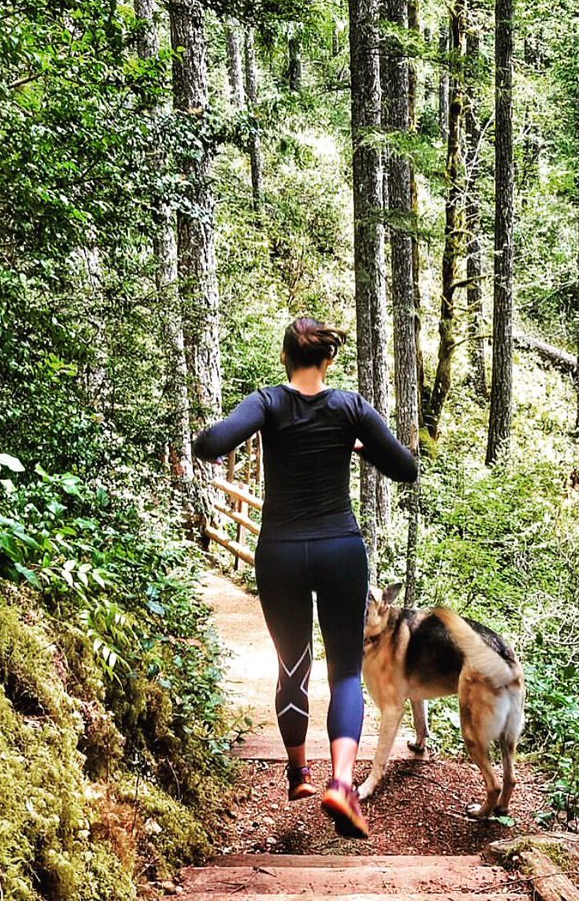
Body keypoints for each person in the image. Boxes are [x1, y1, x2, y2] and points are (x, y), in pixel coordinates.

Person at [193, 317, 418, 839]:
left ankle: (298, 774)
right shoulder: (350, 407)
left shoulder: (267, 403)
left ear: (284, 359)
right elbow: (405, 469)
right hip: (341, 550)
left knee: (291, 664)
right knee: (343, 671)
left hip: (282, 554)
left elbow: (211, 444)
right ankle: (342, 784)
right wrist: (361, 446)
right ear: (329, 362)